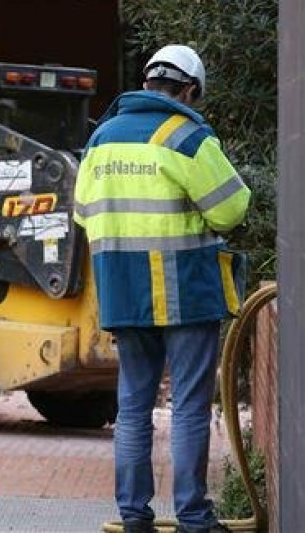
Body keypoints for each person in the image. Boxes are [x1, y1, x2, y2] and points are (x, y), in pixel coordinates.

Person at [73, 44, 251, 533]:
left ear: (148, 83)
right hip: (185, 292)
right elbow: (232, 210)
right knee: (190, 406)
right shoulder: (189, 136)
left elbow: (82, 214)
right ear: (190, 90)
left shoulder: (103, 138)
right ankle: (194, 517)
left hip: (123, 292)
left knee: (132, 406)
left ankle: (134, 517)